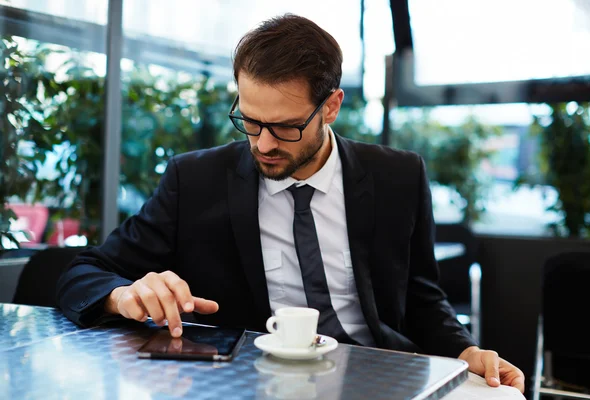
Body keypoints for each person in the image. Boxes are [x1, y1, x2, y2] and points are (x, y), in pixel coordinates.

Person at [56, 14, 524, 393]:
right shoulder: (194, 180)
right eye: (250, 121)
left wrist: (465, 350)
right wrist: (123, 295)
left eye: (284, 127)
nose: (262, 144)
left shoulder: (397, 175)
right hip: (249, 383)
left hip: (376, 376)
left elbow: (422, 297)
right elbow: (83, 272)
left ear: (331, 106)